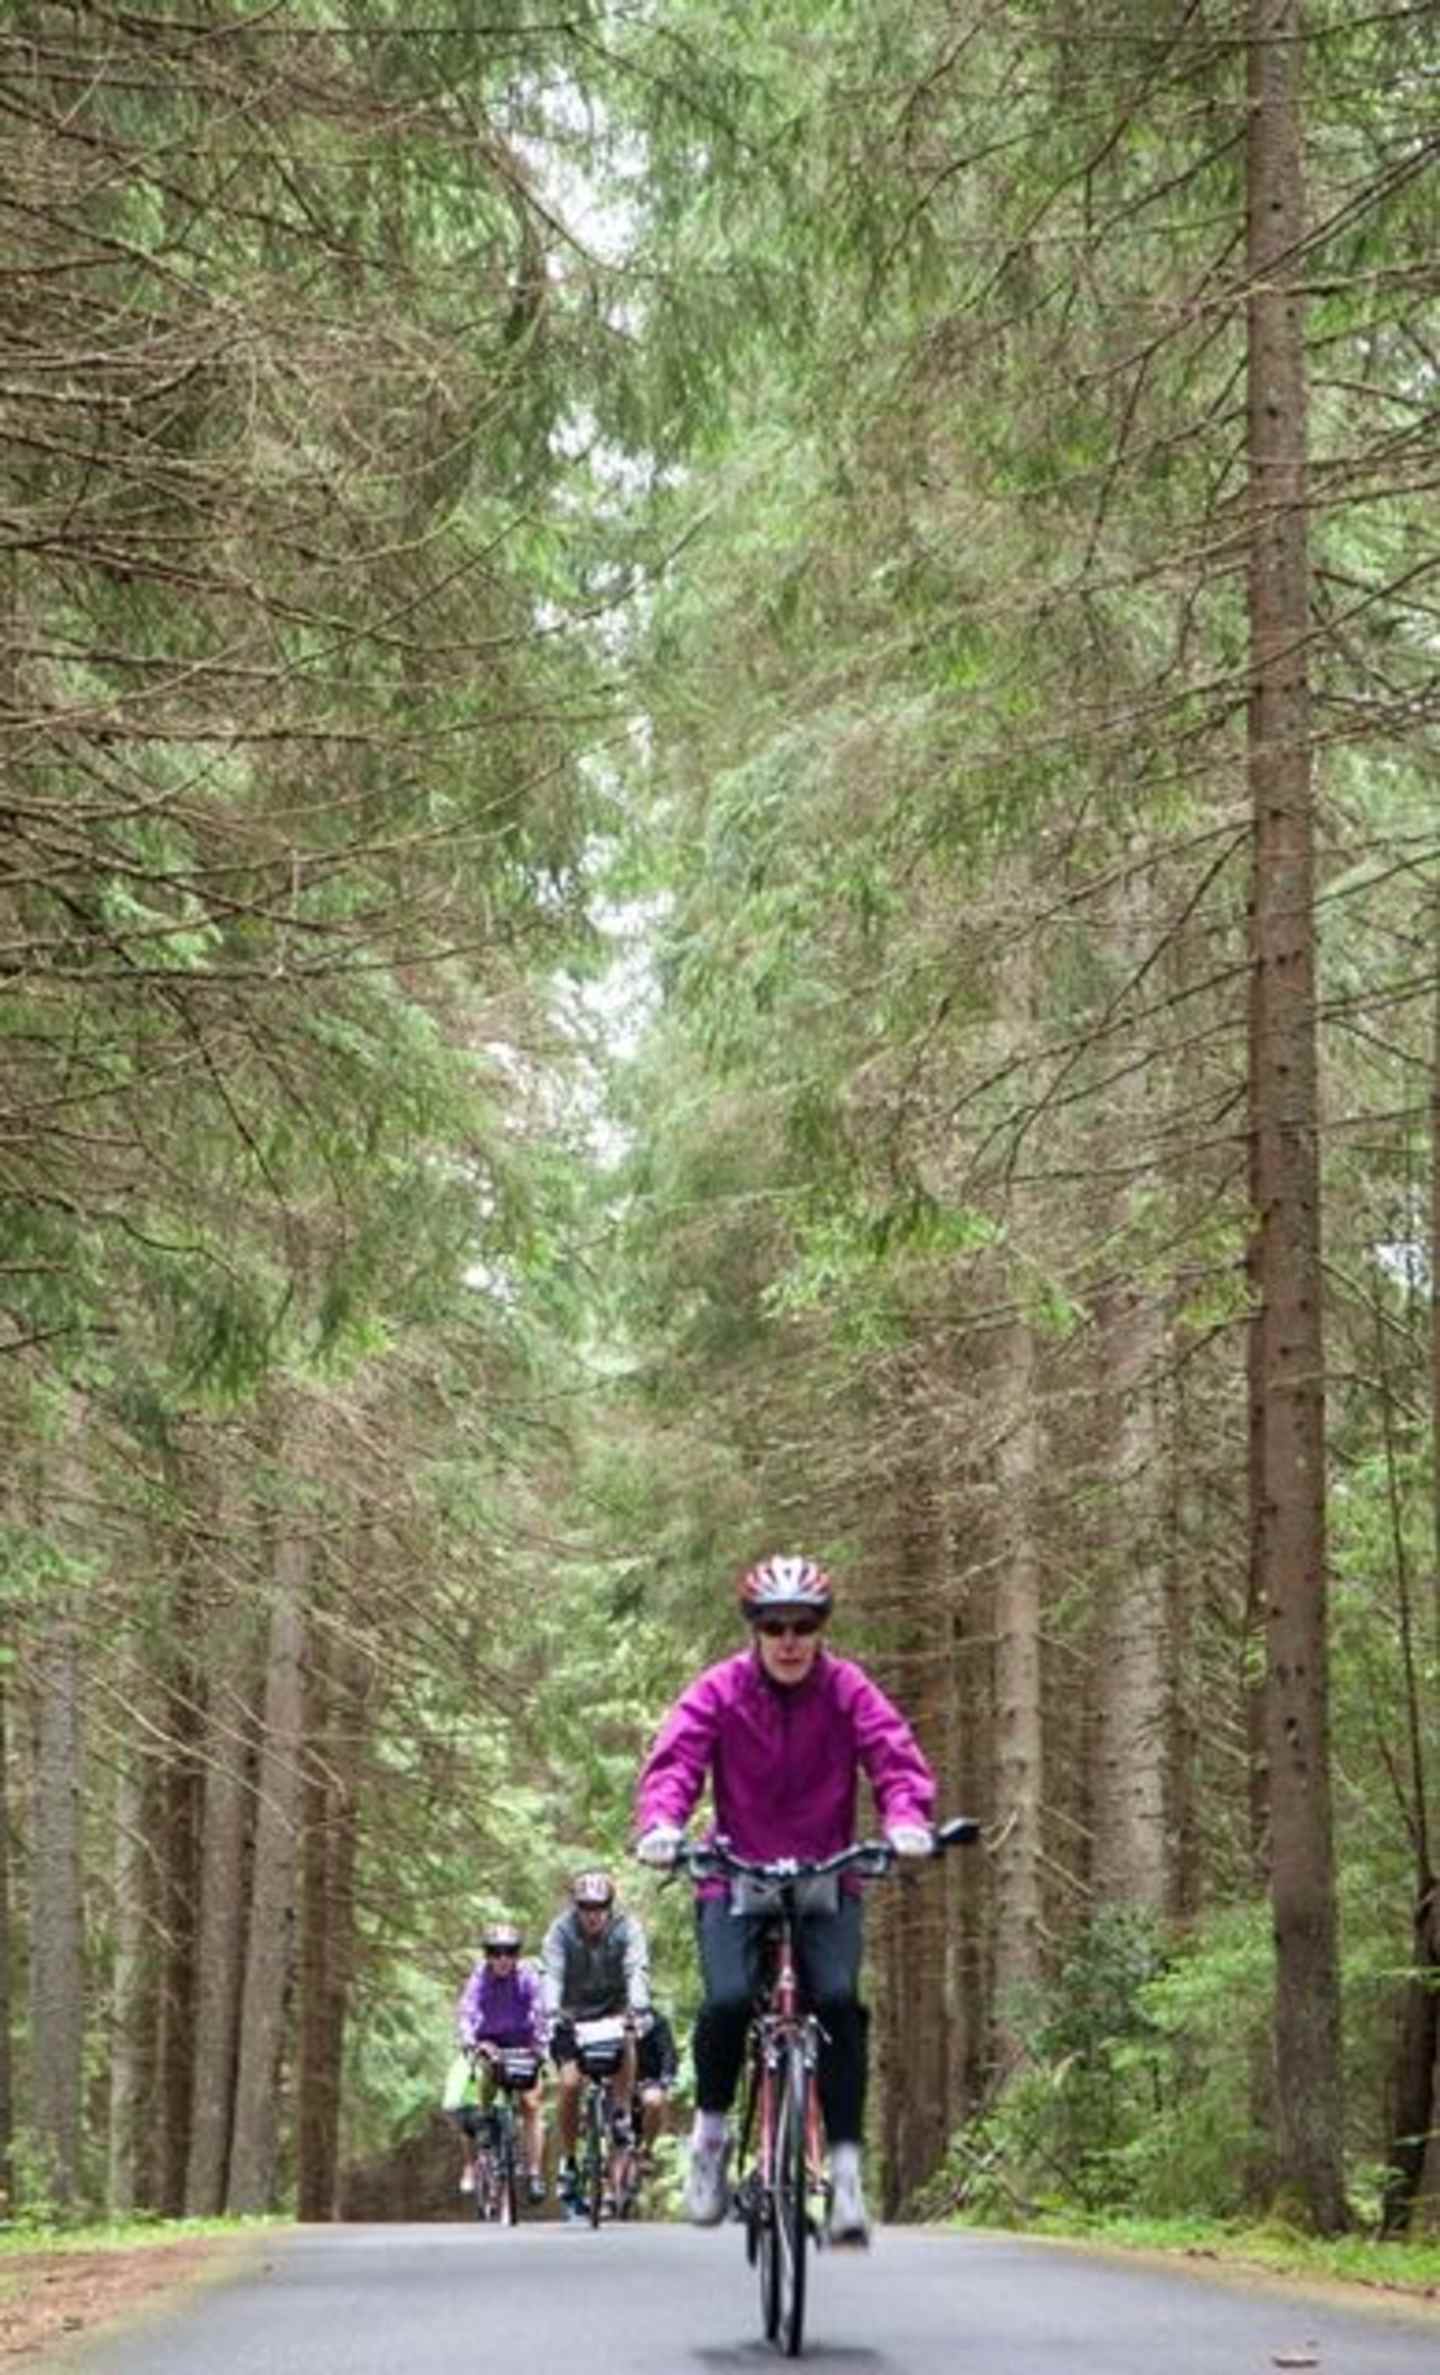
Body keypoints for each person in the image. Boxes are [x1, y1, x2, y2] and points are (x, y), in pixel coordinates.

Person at [632, 1554, 936, 2247]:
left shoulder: (848, 1690)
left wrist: (907, 1820)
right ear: (756, 1630)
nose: (790, 1639)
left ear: (822, 1628)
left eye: (804, 1624)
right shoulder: (721, 1689)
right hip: (735, 1871)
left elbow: (894, 1755)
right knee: (729, 2001)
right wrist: (662, 1825)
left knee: (837, 2002)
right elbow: (676, 1761)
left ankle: (847, 2172)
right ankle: (709, 2141)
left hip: (827, 1875)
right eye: (775, 1625)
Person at [540, 1869, 652, 2213]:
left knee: (630, 2035)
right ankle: (571, 2159)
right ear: (576, 1908)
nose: (593, 1914)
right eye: (585, 1907)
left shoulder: (627, 1930)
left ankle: (619, 2113)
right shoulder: (560, 1932)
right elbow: (552, 1973)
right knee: (570, 2084)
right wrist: (550, 2010)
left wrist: (637, 2005)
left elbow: (636, 1969)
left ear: (609, 1906)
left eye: (599, 1907)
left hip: (615, 2011)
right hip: (571, 2016)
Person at [445, 1920, 548, 2204]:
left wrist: (540, 2043)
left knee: (531, 2103)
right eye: (495, 1952)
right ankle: (486, 2139)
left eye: (510, 1952)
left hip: (524, 2045)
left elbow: (540, 2010)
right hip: (490, 2046)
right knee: (483, 2096)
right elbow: (468, 2009)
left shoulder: (528, 1977)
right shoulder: (480, 1978)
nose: (503, 1959)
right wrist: (470, 2039)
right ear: (487, 1955)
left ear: (517, 1955)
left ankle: (534, 2173)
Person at [634, 2003, 679, 2160]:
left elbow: (668, 2053)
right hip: (613, 2078)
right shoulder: (608, 2016)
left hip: (648, 2080)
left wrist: (666, 2080)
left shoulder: (657, 2022)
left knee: (655, 2101)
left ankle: (647, 2148)